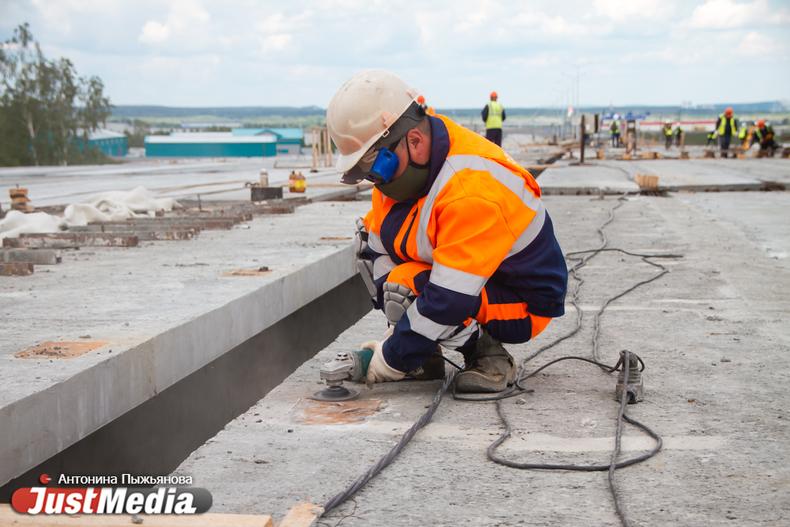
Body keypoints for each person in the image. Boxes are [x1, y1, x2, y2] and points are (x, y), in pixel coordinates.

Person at [327, 70, 568, 393]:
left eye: (379, 167)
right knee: (368, 249)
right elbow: (379, 245)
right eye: (367, 173)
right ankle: (422, 354)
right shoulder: (402, 169)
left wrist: (388, 360)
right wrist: (402, 339)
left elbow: (448, 298)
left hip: (520, 299)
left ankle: (489, 358)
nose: (376, 179)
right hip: (470, 278)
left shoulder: (470, 189)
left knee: (411, 288)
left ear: (414, 140)